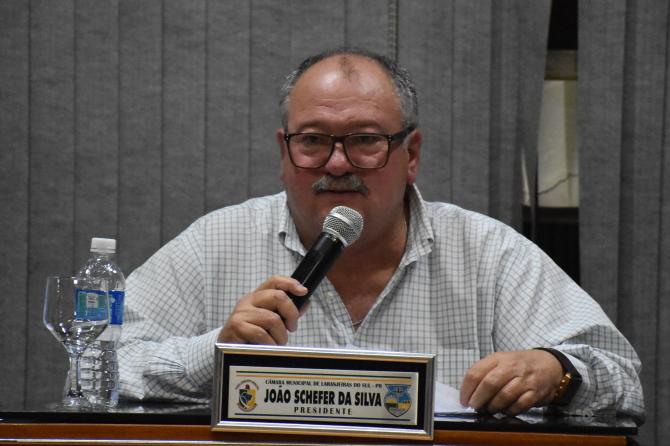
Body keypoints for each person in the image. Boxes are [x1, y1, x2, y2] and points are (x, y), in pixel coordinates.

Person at [117, 48, 644, 421]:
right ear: (284, 152)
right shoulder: (215, 244)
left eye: (365, 141)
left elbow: (623, 380)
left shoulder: (488, 254)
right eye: (313, 141)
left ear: (410, 155)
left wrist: (557, 372)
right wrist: (217, 351)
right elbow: (98, 364)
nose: (337, 164)